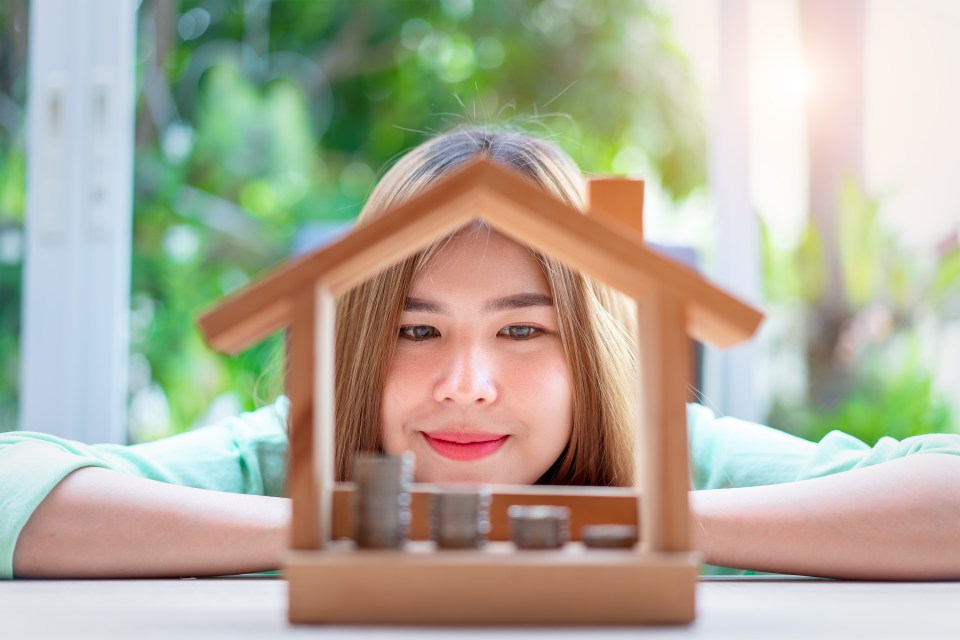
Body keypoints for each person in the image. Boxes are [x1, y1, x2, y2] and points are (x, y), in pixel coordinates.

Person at [3, 126, 960, 581]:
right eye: (417, 331)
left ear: (586, 350)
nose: (466, 385)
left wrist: (634, 522)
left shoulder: (674, 461)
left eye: (521, 330)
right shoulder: (275, 461)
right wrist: (342, 530)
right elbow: (18, 486)